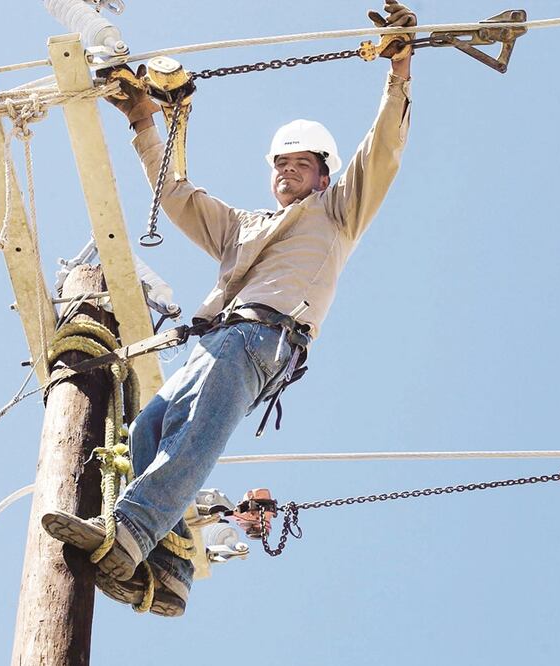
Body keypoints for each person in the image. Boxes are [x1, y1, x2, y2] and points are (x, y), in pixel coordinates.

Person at [42, 1, 417, 617]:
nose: (286, 173)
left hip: (264, 338)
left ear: (323, 174)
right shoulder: (243, 228)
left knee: (196, 437)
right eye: (279, 166)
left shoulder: (338, 212)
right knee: (148, 428)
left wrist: (400, 68)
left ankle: (131, 531)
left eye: (299, 164)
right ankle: (166, 564)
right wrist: (143, 121)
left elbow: (382, 151)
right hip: (216, 342)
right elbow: (176, 193)